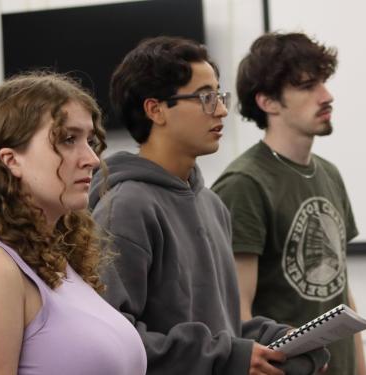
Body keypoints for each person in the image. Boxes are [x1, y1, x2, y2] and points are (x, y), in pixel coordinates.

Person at [89, 36, 329, 375]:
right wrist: (228, 357)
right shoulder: (126, 207)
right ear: (155, 109)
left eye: (219, 96)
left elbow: (221, 328)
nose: (219, 109)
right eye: (204, 97)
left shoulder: (212, 204)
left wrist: (278, 338)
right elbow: (111, 339)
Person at [0, 72, 147, 375]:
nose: (91, 158)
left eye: (89, 140)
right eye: (67, 139)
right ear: (11, 160)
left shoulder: (54, 257)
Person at [212, 32, 366, 375]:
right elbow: (236, 312)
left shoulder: (329, 173)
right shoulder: (245, 183)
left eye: (323, 83)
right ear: (268, 101)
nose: (326, 96)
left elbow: (341, 291)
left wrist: (361, 369)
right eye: (308, 86)